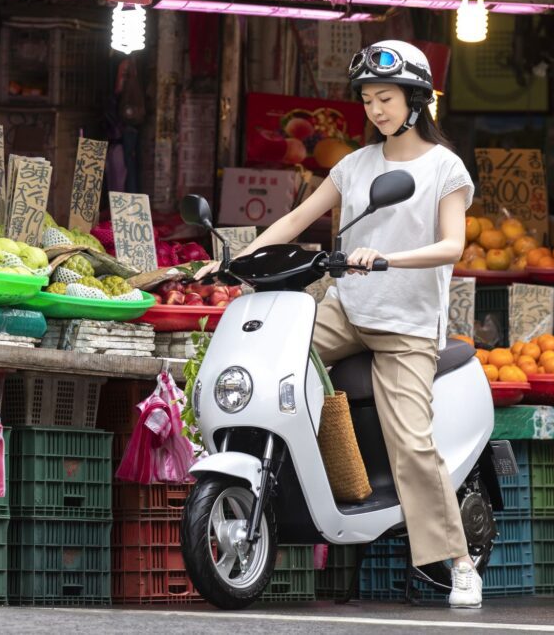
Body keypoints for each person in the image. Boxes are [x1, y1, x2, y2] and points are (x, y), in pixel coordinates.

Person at [195, 39, 482, 609]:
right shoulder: (354, 165)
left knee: (410, 442)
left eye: (387, 99)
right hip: (347, 310)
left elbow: (453, 245)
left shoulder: (444, 167)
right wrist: (233, 259)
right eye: (370, 100)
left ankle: (458, 560)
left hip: (407, 325)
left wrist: (387, 257)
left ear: (416, 101)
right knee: (266, 369)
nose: (377, 110)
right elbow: (298, 218)